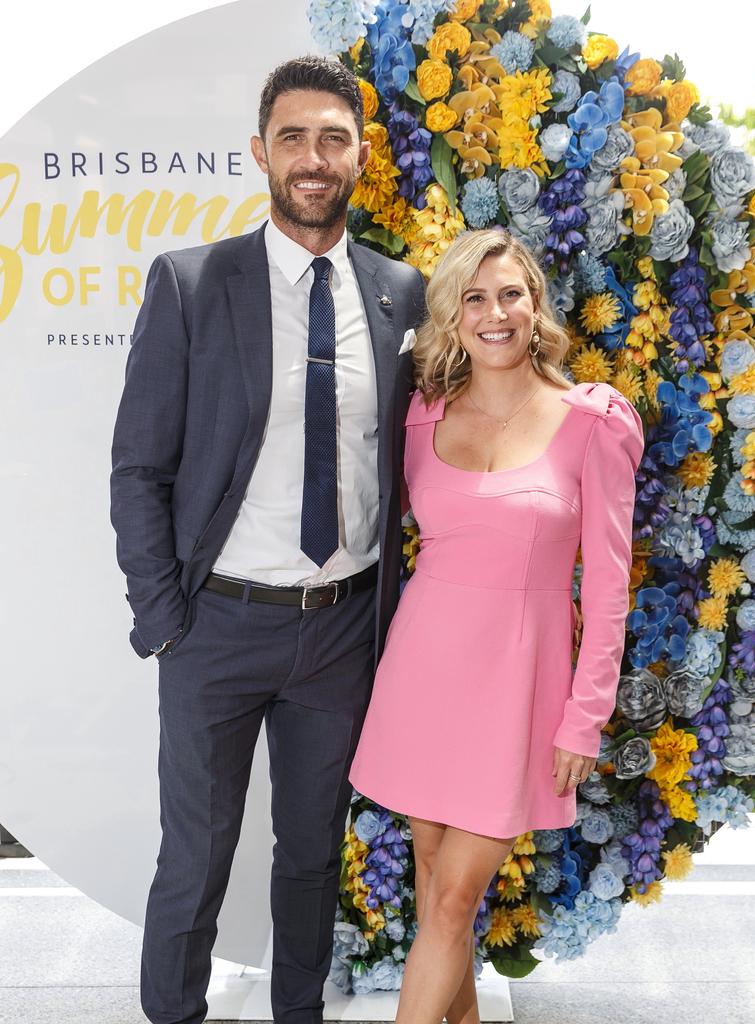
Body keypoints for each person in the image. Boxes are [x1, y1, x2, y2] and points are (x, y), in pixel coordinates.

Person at [109, 56, 425, 1024]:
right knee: (194, 855)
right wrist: (166, 620)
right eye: (293, 138)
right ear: (260, 153)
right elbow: (138, 469)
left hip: (340, 632)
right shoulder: (194, 283)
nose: (313, 157)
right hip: (218, 627)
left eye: (333, 138)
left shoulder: (402, 295)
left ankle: (300, 1015)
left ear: (360, 157)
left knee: (310, 855)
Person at [349, 228, 644, 1024]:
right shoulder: (421, 417)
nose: (494, 313)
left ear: (536, 302)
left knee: (451, 902)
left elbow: (609, 589)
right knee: (435, 883)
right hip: (422, 678)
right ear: (452, 316)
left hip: (518, 691)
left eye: (509, 293)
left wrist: (585, 718)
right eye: (474, 298)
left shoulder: (594, 423)